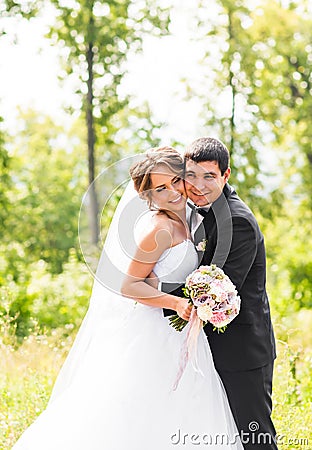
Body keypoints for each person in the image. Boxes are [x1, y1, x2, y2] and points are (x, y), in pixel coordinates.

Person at [12, 146, 243, 450]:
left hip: (183, 334)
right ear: (146, 196)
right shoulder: (159, 229)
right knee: (143, 411)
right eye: (161, 188)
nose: (173, 191)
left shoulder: (188, 219)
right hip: (155, 333)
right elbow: (130, 285)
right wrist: (176, 303)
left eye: (176, 181)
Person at [162, 137, 277, 449]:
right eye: (192, 175)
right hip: (208, 347)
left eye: (209, 176)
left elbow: (213, 290)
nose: (198, 185)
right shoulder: (196, 209)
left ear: (226, 176)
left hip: (241, 351)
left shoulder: (237, 221)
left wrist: (151, 291)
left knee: (254, 438)